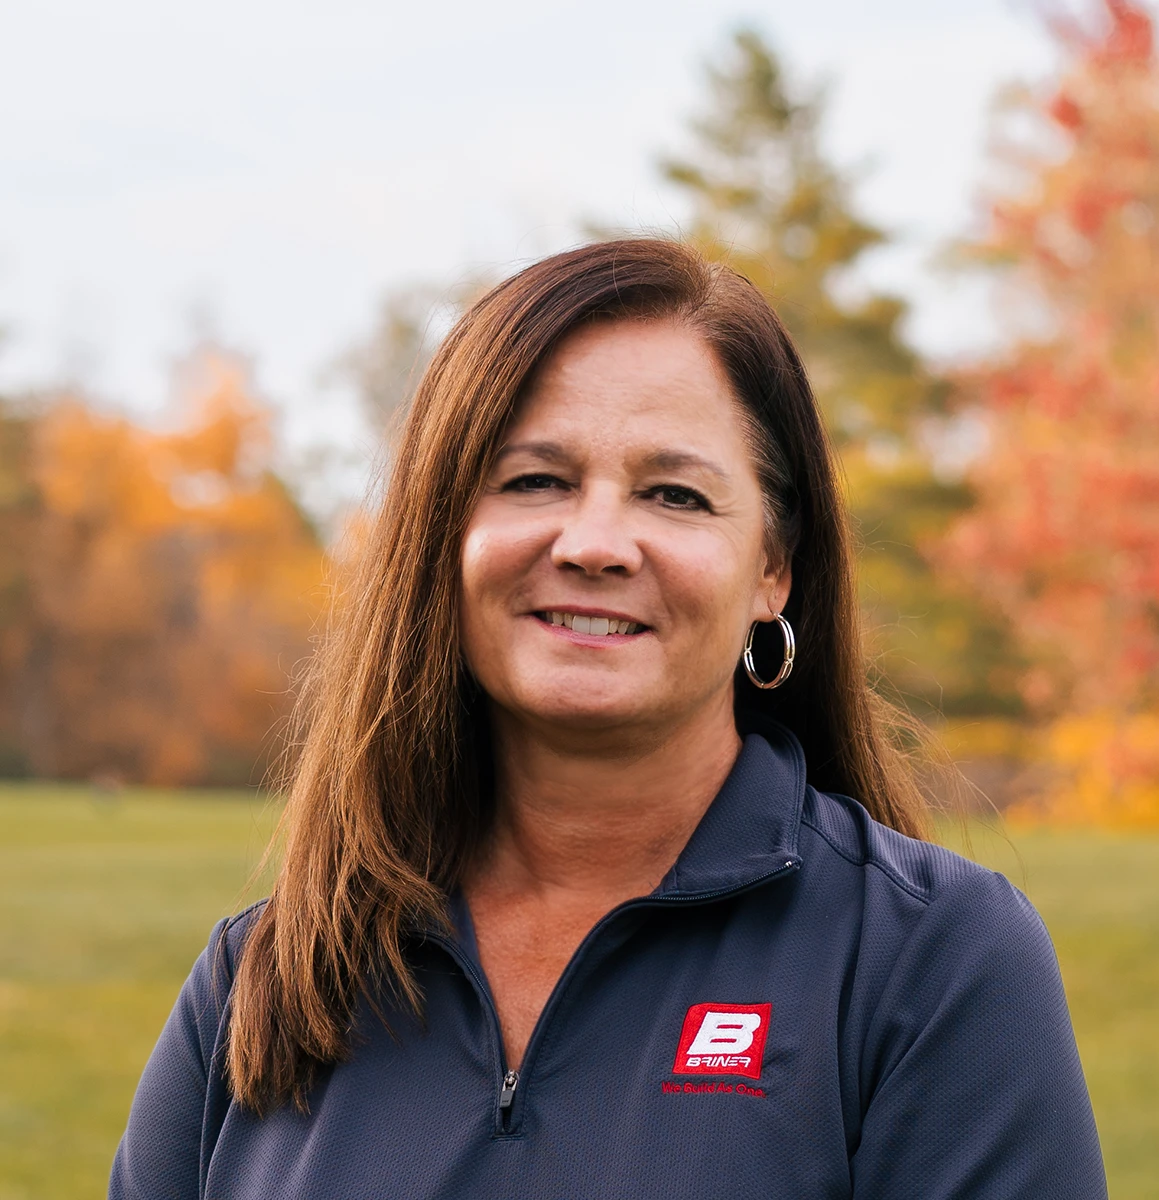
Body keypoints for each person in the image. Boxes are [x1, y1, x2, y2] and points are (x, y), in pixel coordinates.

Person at [110, 239, 1107, 1198]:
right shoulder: (266, 981)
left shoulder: (930, 961)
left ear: (774, 569)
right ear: (441, 537)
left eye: (674, 495)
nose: (595, 543)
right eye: (534, 480)